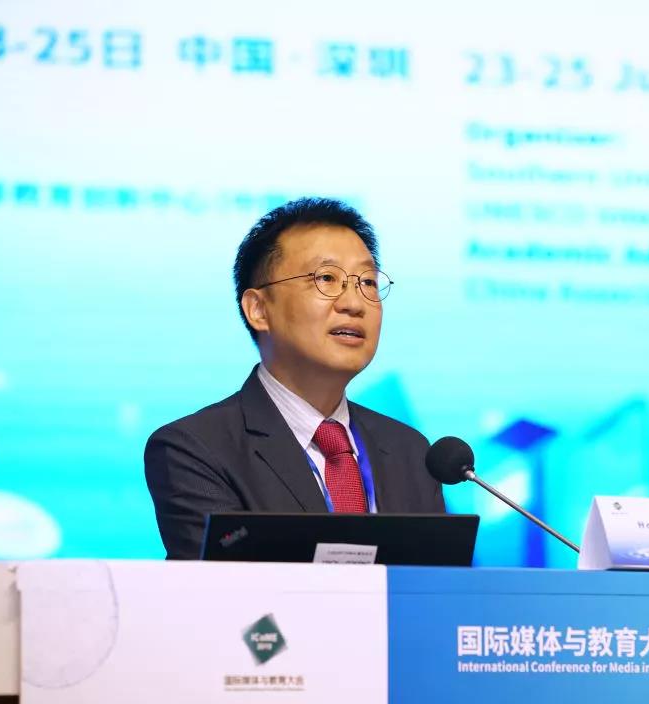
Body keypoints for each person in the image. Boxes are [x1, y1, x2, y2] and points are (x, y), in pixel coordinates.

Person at [145, 197, 445, 559]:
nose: (354, 303)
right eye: (326, 279)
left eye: (367, 282)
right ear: (258, 309)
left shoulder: (412, 452)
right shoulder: (196, 450)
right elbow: (227, 590)